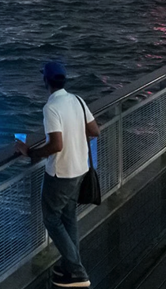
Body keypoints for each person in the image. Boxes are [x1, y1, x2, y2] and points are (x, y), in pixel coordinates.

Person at [15, 62, 99, 288]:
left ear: (46, 81)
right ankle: (70, 267)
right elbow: (94, 131)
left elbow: (56, 145)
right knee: (69, 217)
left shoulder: (51, 108)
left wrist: (31, 153)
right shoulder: (78, 100)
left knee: (51, 219)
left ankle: (78, 271)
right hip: (80, 168)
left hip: (61, 173)